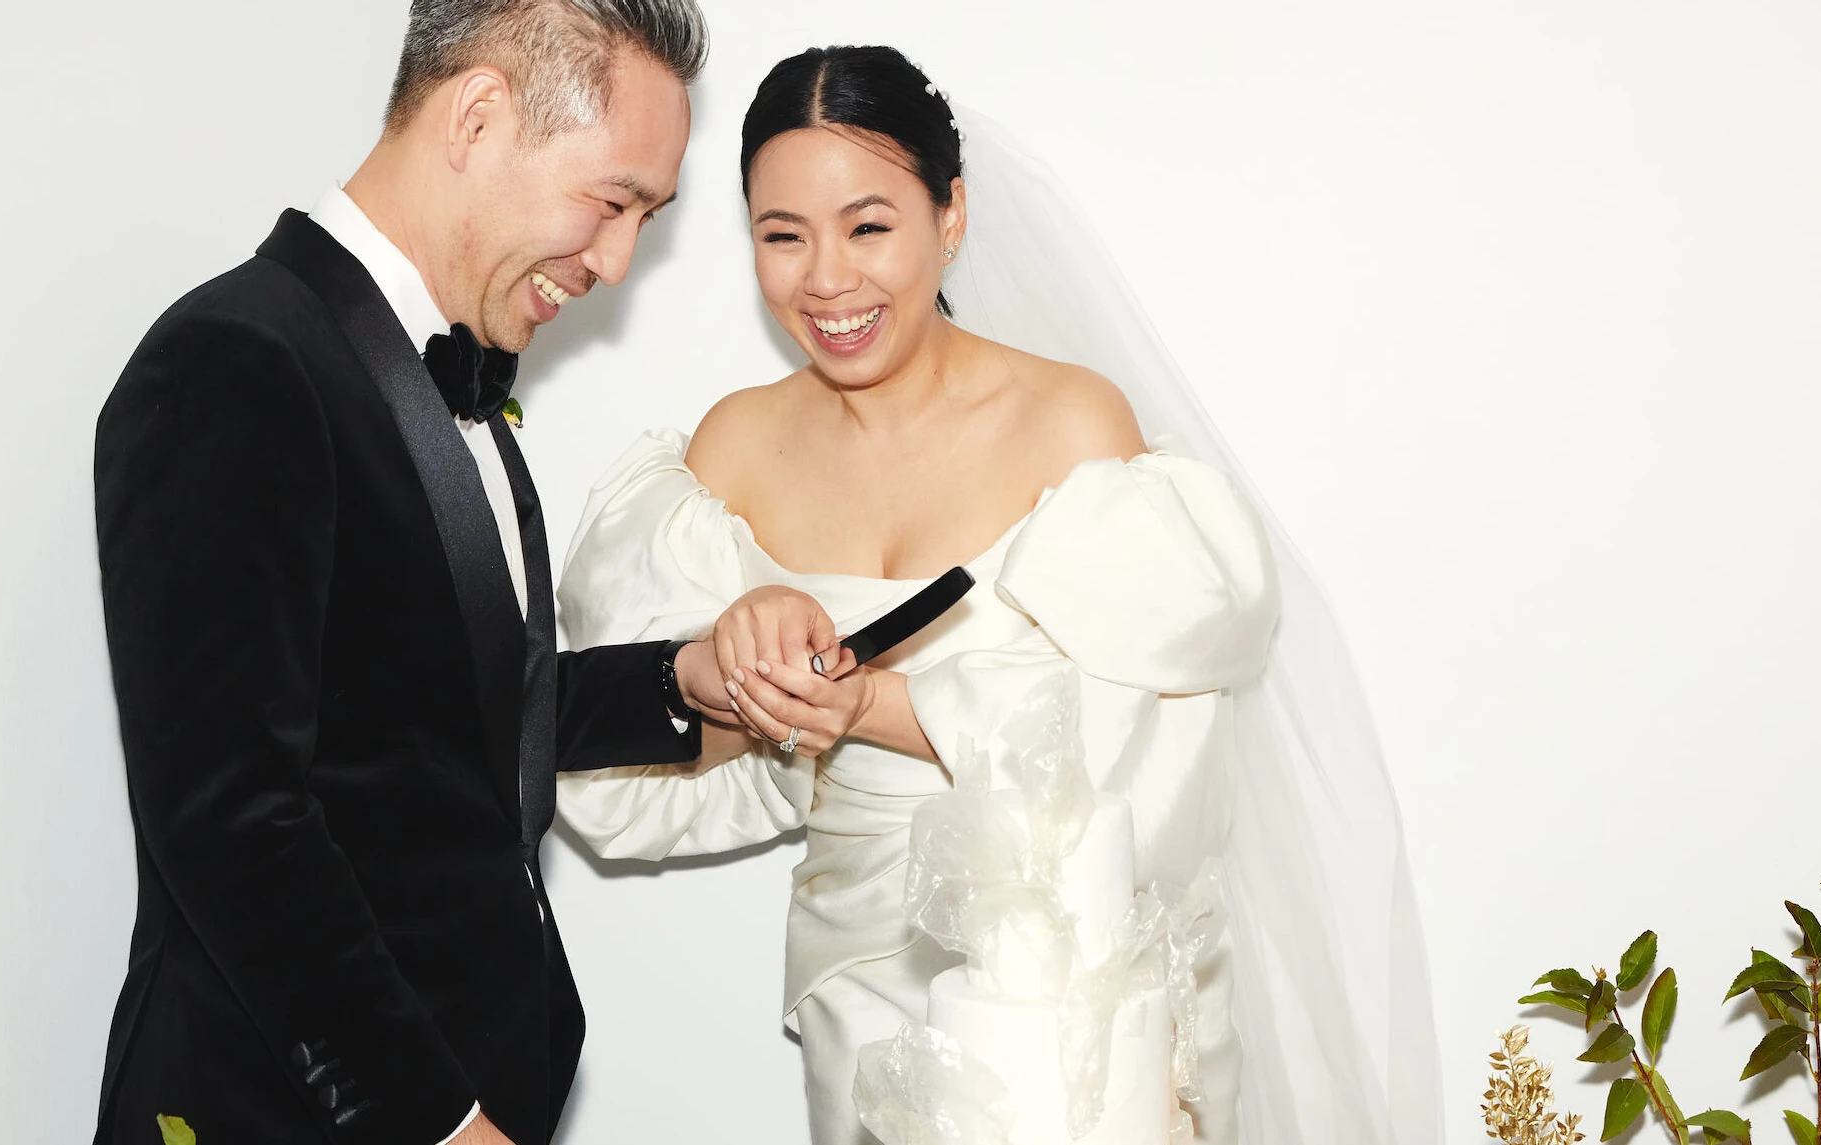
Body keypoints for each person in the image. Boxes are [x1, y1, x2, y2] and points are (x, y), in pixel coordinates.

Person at [554, 46, 1443, 1145]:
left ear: (952, 215)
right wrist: (733, 672)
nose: (827, 279)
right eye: (782, 236)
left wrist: (878, 708)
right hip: (861, 978)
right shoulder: (731, 451)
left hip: (1072, 974)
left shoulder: (1073, 429)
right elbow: (641, 762)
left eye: (868, 226)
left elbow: (1149, 748)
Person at [88, 4, 832, 1143]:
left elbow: (436, 720)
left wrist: (684, 681)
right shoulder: (236, 361)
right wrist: (435, 1120)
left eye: (646, 216)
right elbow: (232, 821)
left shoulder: (450, 375)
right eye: (614, 200)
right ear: (478, 116)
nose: (619, 261)